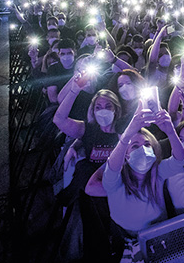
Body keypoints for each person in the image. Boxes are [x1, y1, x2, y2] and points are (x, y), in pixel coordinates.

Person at [86, 100, 184, 262]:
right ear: (125, 154)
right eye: (135, 146)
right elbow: (110, 170)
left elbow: (180, 159)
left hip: (162, 238)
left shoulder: (158, 172)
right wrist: (127, 135)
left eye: (147, 144)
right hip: (128, 243)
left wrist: (170, 131)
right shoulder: (117, 180)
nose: (143, 149)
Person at [53, 89, 123, 261]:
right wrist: (75, 90)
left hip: (115, 184)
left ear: (116, 109)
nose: (103, 110)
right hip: (92, 185)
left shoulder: (123, 130)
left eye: (108, 106)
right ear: (93, 110)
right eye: (98, 107)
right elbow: (59, 120)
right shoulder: (87, 128)